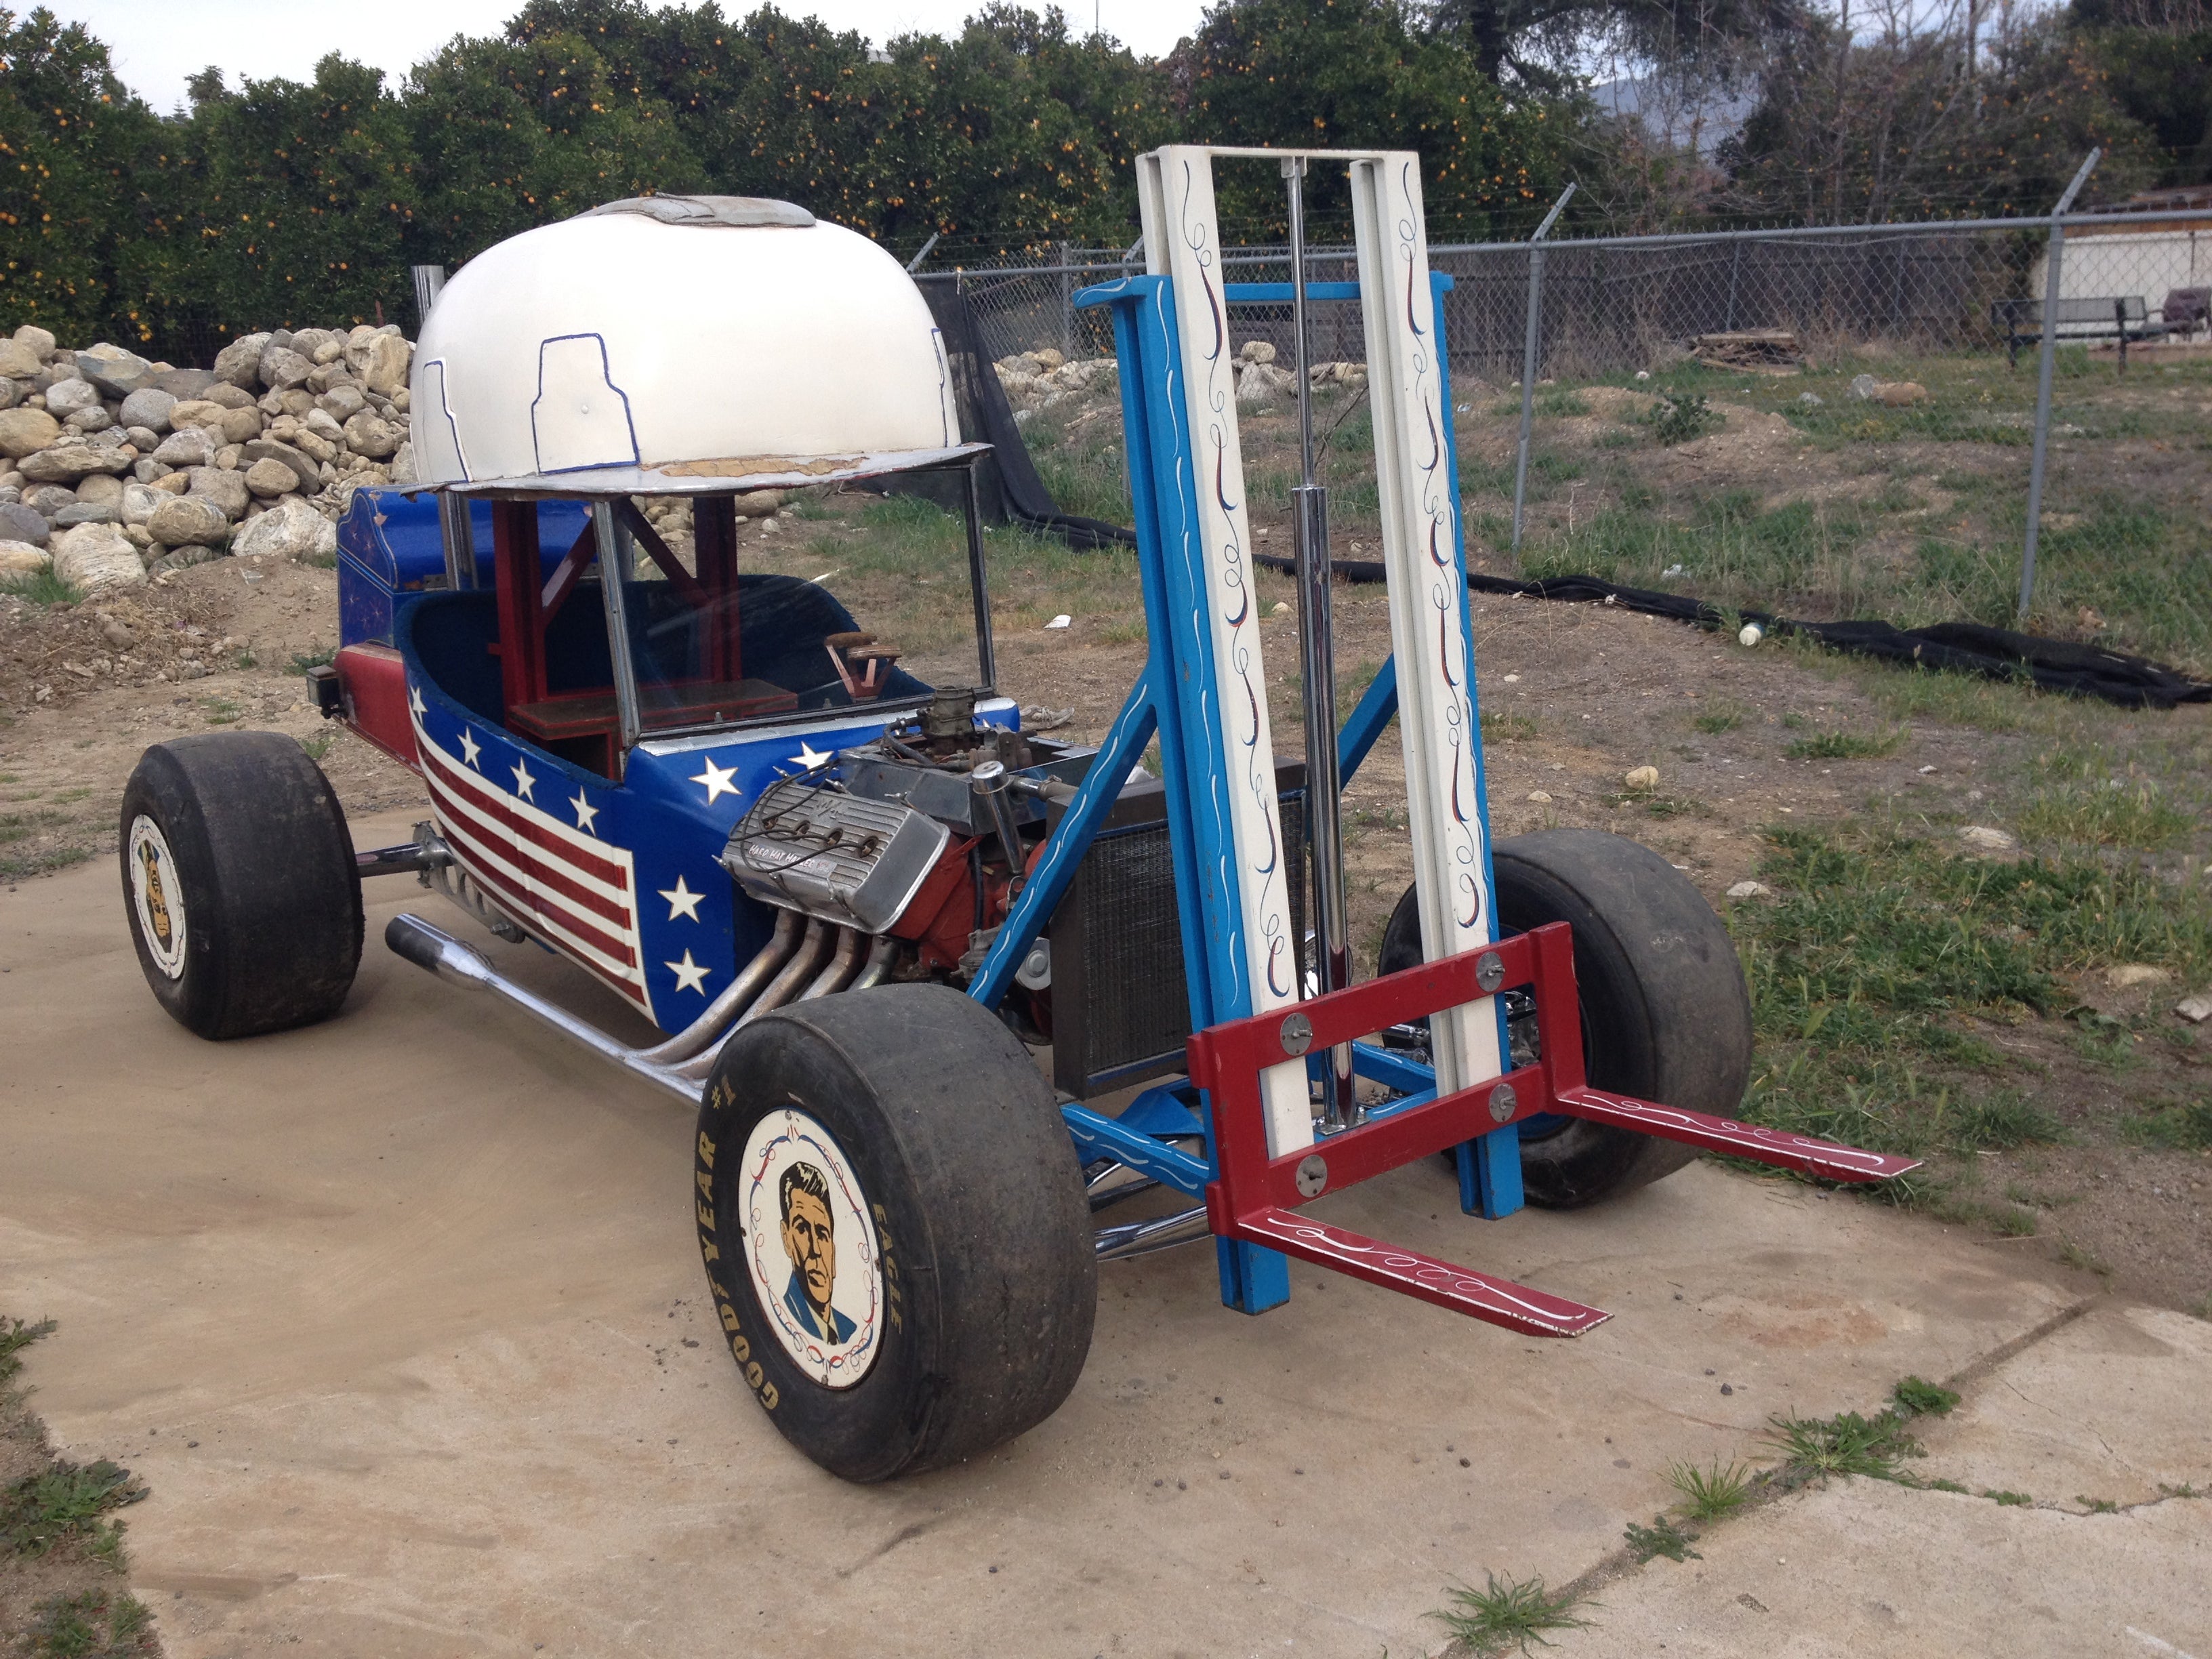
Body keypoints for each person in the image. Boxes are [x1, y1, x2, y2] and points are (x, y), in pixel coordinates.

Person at [778, 1161, 857, 1343]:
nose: (815, 1250)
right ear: (786, 1238)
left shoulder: (849, 1331)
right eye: (802, 1229)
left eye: (822, 1233)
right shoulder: (786, 1311)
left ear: (833, 1249)